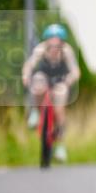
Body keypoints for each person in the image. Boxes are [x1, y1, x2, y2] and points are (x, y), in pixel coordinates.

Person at [21, 24, 80, 162]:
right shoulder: (40, 49)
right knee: (37, 83)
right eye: (51, 40)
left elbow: (75, 71)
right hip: (43, 78)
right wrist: (25, 75)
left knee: (59, 110)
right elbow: (29, 64)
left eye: (57, 40)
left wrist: (68, 81)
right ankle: (35, 112)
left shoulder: (67, 51)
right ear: (46, 41)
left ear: (62, 42)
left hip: (60, 81)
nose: (54, 44)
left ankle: (60, 146)